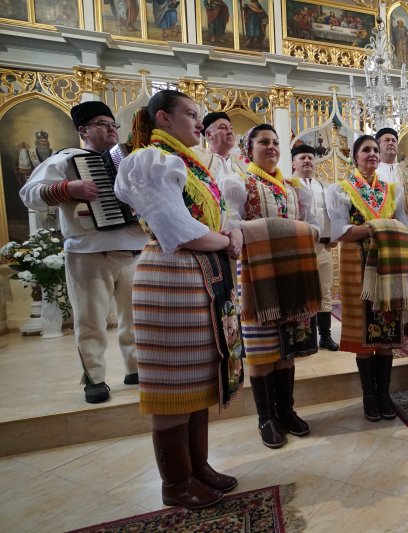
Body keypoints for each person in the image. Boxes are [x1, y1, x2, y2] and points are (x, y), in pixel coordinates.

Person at [115, 89, 243, 509]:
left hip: (201, 276)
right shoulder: (149, 160)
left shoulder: (190, 164)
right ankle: (175, 483)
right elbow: (177, 229)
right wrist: (227, 240)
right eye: (190, 114)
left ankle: (197, 467)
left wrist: (231, 233)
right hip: (170, 278)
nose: (199, 123)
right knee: (173, 383)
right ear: (163, 119)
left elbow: (215, 219)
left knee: (198, 377)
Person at [20, 101, 147, 404]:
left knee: (136, 319)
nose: (112, 129)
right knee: (91, 320)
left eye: (113, 124)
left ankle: (135, 369)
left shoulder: (129, 159)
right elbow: (29, 194)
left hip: (134, 249)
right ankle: (95, 377)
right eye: (103, 124)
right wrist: (68, 188)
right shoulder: (65, 159)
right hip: (90, 253)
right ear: (83, 130)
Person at [225, 124, 321, 449]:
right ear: (248, 149)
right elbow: (232, 228)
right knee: (262, 350)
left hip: (291, 274)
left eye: (276, 142)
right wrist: (283, 230)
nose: (272, 147)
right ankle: (266, 417)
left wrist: (298, 232)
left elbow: (313, 227)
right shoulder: (240, 183)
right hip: (258, 277)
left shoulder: (294, 188)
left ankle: (286, 411)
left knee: (286, 348)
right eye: (264, 142)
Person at [326, 134, 408, 421]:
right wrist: (379, 227)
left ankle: (384, 394)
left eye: (375, 149)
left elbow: (403, 227)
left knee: (387, 329)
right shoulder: (341, 189)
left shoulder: (391, 190)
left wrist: (374, 227)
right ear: (355, 157)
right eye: (366, 150)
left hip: (389, 265)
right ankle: (369, 396)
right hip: (356, 263)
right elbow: (340, 232)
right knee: (363, 331)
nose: (373, 153)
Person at [375, 127, 408, 339]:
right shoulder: (373, 170)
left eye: (394, 140)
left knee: (407, 277)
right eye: (386, 140)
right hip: (382, 232)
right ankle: (386, 319)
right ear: (378, 146)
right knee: (384, 277)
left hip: (406, 231)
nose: (391, 143)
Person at [293, 143, 339, 351]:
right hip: (299, 249)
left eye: (310, 158)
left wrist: (334, 235)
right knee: (302, 292)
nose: (307, 161)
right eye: (302, 157)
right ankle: (305, 338)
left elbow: (333, 214)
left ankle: (325, 336)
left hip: (323, 247)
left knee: (324, 291)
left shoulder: (325, 186)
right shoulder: (288, 185)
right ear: (293, 162)